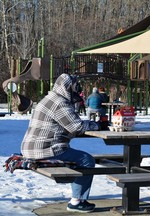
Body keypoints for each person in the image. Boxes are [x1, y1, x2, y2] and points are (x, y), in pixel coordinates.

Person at [21, 73, 106, 213]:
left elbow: (69, 124)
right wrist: (98, 126)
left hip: (31, 148)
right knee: (86, 160)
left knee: (79, 157)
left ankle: (77, 198)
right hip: (44, 150)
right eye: (75, 87)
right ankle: (77, 201)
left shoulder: (49, 99)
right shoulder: (60, 103)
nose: (77, 90)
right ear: (68, 87)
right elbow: (76, 126)